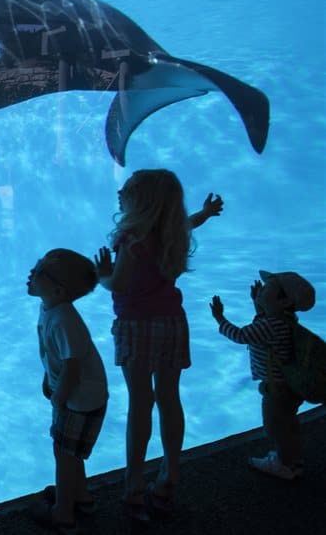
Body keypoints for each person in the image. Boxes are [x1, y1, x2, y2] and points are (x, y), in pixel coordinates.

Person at [92, 169, 222, 520]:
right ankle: (169, 477)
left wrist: (103, 273)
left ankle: (134, 488)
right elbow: (189, 222)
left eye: (128, 192)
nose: (121, 194)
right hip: (172, 324)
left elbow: (118, 284)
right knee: (169, 399)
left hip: (137, 327)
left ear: (141, 203)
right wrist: (206, 213)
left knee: (140, 404)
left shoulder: (131, 239)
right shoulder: (171, 232)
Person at [26, 248, 107, 534]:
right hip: (82, 395)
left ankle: (63, 514)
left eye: (40, 272)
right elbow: (54, 355)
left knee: (63, 453)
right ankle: (81, 496)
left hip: (78, 400)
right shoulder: (49, 306)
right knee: (71, 453)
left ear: (58, 290)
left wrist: (59, 397)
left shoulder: (64, 320)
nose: (32, 273)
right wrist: (50, 379)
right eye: (36, 265)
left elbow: (72, 366)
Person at [210, 270, 317, 480]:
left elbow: (241, 335)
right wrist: (258, 303)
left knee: (274, 426)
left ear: (285, 301)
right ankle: (294, 459)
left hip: (275, 390)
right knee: (289, 424)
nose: (263, 289)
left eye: (269, 288)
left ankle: (283, 465)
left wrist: (220, 319)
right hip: (289, 387)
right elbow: (266, 320)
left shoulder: (270, 325)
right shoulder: (285, 319)